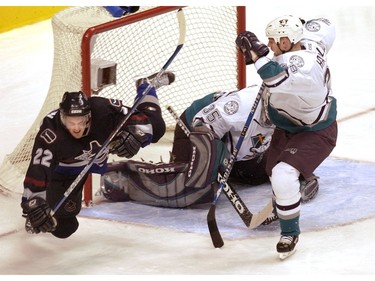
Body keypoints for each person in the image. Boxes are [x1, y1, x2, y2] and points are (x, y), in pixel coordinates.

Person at [100, 82, 318, 211]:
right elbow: (202, 124)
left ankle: (223, 168)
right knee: (192, 190)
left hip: (238, 151)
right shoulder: (241, 105)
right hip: (198, 129)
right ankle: (123, 177)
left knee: (259, 176)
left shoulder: (291, 108)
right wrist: (213, 158)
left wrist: (295, 168)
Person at [20, 71, 175, 239]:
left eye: (80, 122)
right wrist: (33, 204)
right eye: (71, 122)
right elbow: (39, 169)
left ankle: (146, 85)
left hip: (92, 153)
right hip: (63, 171)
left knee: (157, 128)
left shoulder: (103, 110)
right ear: (63, 118)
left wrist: (135, 135)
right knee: (64, 228)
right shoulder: (52, 132)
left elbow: (136, 118)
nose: (76, 128)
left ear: (89, 116)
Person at [235, 16, 337, 258]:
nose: (270, 45)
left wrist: (259, 56)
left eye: (272, 41)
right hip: (288, 126)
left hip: (315, 132)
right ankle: (293, 192)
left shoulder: (304, 65)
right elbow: (325, 24)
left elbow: (275, 78)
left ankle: (289, 233)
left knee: (283, 174)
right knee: (273, 172)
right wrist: (299, 22)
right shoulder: (310, 41)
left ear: (286, 40)